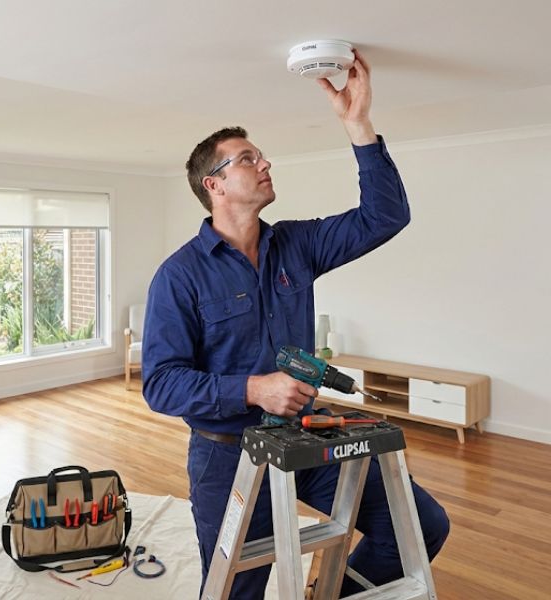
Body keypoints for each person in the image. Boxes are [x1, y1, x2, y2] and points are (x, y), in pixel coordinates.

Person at [141, 50, 449, 599]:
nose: (265, 164)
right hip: (226, 453)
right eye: (247, 158)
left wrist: (358, 125)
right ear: (214, 184)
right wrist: (252, 388)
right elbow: (161, 384)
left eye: (261, 155)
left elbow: (385, 217)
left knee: (423, 526)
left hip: (306, 438)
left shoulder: (296, 246)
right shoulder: (178, 275)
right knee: (240, 587)